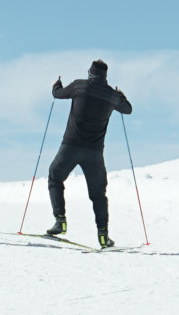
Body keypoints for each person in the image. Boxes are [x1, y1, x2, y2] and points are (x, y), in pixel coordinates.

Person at [47, 59, 132, 248]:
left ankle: (60, 221)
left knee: (55, 177)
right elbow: (128, 110)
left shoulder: (79, 86)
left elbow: (57, 94)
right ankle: (103, 236)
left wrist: (56, 84)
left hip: (71, 146)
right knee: (98, 194)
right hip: (94, 152)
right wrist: (121, 95)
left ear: (90, 73)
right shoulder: (111, 95)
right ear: (105, 76)